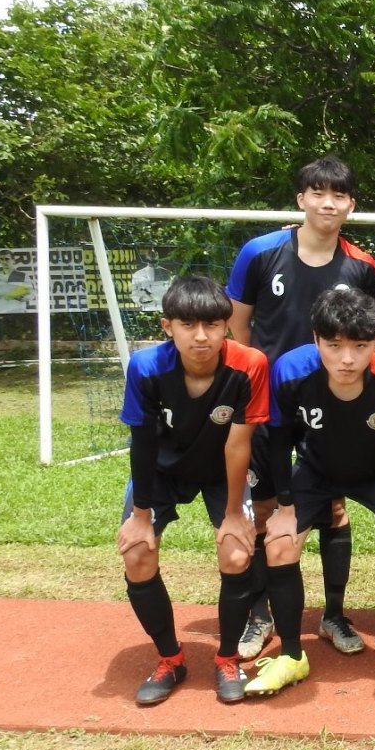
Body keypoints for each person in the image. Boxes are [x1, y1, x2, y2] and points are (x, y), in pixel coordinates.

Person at [225, 156, 375, 662]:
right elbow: (240, 325)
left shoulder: (361, 265)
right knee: (268, 511)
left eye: (338, 195)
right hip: (272, 404)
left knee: (333, 508)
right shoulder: (260, 252)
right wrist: (258, 384)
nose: (328, 202)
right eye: (317, 192)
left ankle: (333, 615)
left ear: (351, 205)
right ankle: (260, 614)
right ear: (301, 199)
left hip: (335, 405)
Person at [246, 289, 375, 698]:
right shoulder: (290, 370)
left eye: (360, 346)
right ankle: (291, 656)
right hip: (316, 470)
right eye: (334, 346)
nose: (347, 358)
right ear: (316, 339)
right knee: (279, 544)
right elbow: (279, 441)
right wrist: (285, 507)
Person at [116, 276, 269, 705]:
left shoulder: (250, 364)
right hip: (161, 472)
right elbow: (142, 443)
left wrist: (235, 514)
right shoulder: (145, 366)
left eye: (212, 324)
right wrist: (141, 516)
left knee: (236, 553)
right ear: (168, 327)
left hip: (223, 471)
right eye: (188, 325)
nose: (201, 336)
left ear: (227, 325)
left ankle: (227, 659)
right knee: (137, 553)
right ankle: (170, 658)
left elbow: (239, 445)